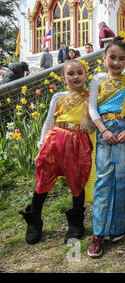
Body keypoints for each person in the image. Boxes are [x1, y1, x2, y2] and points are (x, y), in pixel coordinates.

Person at [19, 60, 95, 245]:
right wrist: (40, 146)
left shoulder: (91, 97)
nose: (75, 77)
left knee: (78, 182)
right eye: (71, 74)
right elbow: (47, 122)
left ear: (86, 76)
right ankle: (34, 219)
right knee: (43, 180)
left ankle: (76, 223)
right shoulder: (58, 97)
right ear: (64, 78)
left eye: (79, 73)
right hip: (54, 142)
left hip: (78, 144)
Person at [87, 36, 125, 258]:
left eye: (121, 59)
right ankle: (98, 233)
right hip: (106, 132)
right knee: (104, 180)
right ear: (104, 58)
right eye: (112, 58)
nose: (116, 63)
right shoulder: (98, 80)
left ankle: (123, 226)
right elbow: (92, 108)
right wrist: (104, 130)